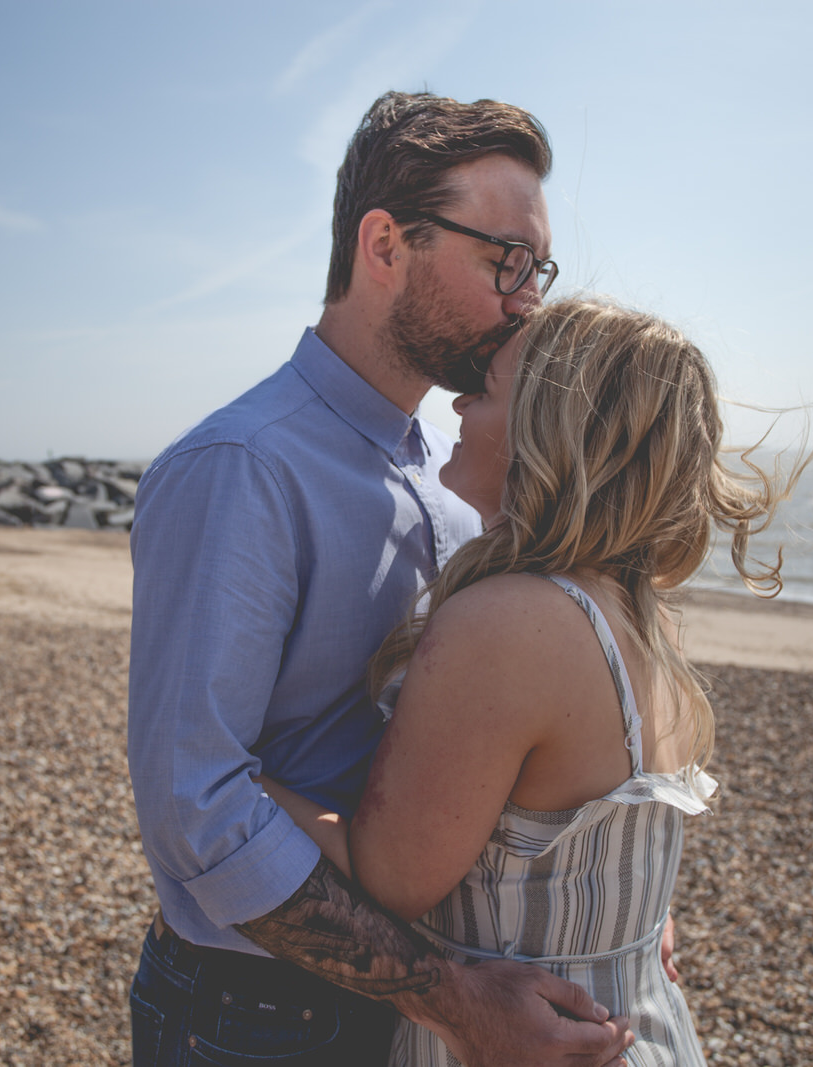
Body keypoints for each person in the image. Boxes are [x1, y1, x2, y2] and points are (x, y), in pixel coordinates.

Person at [127, 92, 638, 1066]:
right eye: (505, 260)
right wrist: (451, 996)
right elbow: (196, 808)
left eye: (540, 269)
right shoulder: (243, 466)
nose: (527, 298)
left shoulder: (453, 472)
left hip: (413, 1008)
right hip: (257, 1017)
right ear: (385, 244)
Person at [260, 296, 813, 1065]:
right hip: (645, 1028)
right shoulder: (637, 616)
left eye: (485, 387)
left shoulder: (509, 623)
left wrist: (242, 784)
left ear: (550, 427)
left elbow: (387, 879)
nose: (457, 400)